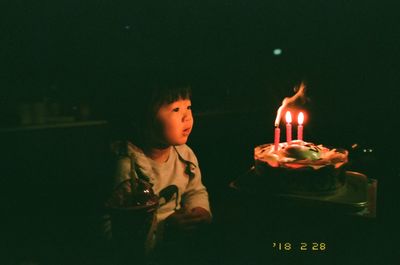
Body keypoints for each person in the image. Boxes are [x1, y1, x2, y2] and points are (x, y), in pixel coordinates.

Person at [102, 81, 212, 264]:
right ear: (141, 120)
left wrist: (200, 210)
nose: (187, 117)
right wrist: (164, 230)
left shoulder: (185, 154)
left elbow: (195, 190)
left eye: (189, 106)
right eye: (175, 109)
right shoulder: (126, 165)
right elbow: (111, 230)